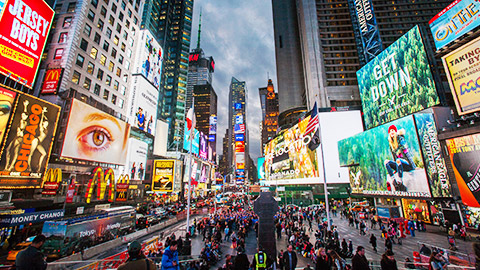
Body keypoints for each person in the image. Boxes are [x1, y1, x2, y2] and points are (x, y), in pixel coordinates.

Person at [384, 125, 416, 191]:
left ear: (395, 131)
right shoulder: (391, 144)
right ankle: (394, 182)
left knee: (398, 160)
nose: (391, 132)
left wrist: (413, 166)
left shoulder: (400, 138)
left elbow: (407, 153)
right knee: (386, 162)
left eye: (392, 130)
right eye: (390, 131)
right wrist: (396, 168)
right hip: (399, 164)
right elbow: (394, 157)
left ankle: (400, 182)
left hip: (406, 163)